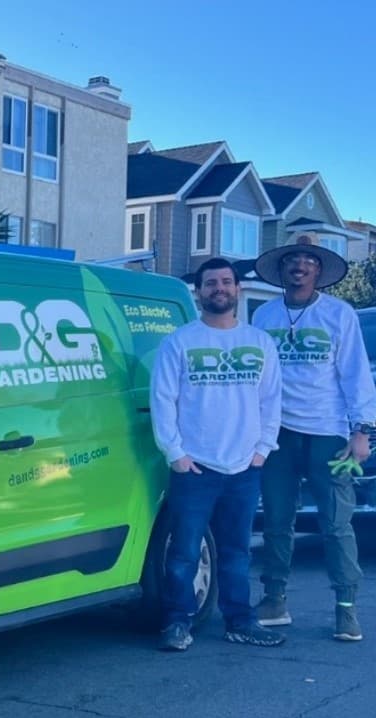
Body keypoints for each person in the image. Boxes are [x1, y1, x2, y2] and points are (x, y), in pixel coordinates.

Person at [150, 257, 285, 651]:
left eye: (226, 282)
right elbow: (163, 400)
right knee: (184, 552)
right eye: (211, 283)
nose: (220, 289)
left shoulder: (260, 343)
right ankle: (177, 622)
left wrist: (262, 449)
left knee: (236, 551)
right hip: (194, 467)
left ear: (237, 290)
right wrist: (175, 453)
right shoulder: (179, 342)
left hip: (245, 467)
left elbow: (271, 400)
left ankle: (239, 621)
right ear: (199, 292)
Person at [251, 232, 376, 641]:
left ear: (318, 270)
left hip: (328, 434)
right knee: (276, 520)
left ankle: (345, 608)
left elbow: (357, 375)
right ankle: (274, 598)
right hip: (277, 434)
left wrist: (362, 432)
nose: (299, 265)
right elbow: (254, 379)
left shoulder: (339, 315)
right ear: (283, 269)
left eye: (308, 260)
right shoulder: (263, 317)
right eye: (293, 259)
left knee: (336, 525)